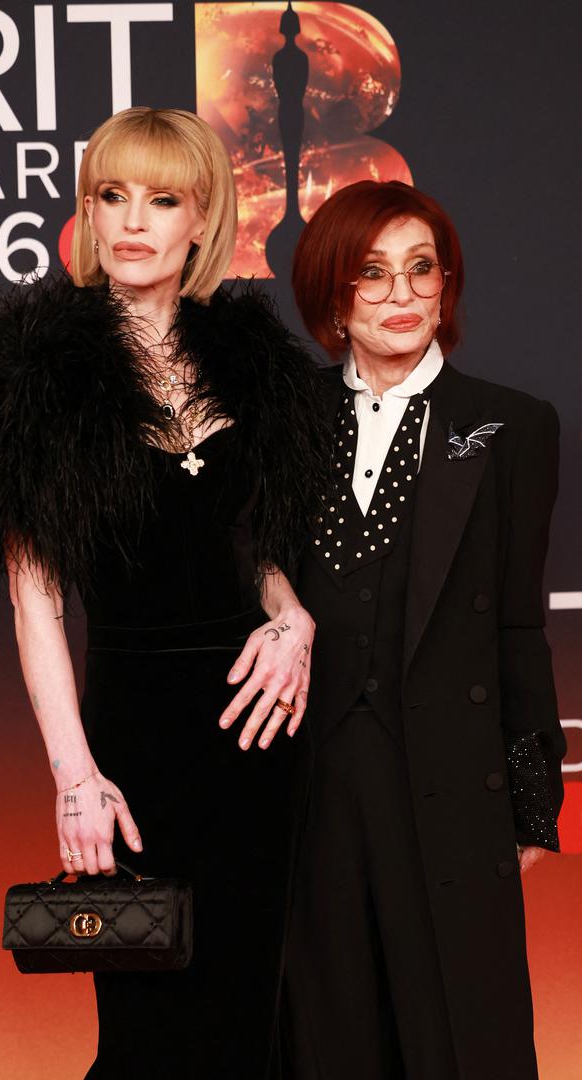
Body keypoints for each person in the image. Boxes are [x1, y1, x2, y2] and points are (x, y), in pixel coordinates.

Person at [0, 107, 330, 1078]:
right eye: (112, 195)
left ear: (203, 220)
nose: (134, 221)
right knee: (152, 1028)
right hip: (133, 737)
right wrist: (75, 777)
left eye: (162, 199)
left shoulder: (252, 368)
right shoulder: (32, 379)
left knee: (256, 1014)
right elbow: (36, 604)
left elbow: (253, 545)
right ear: (89, 213)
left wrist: (291, 615)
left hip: (258, 730)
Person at [284, 179, 565, 1080]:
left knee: (457, 1039)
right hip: (310, 781)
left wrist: (531, 801)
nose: (401, 294)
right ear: (333, 296)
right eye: (372, 274)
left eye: (421, 269)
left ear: (446, 286)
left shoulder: (510, 426)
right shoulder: (285, 422)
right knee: (323, 1035)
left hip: (445, 777)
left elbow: (516, 621)